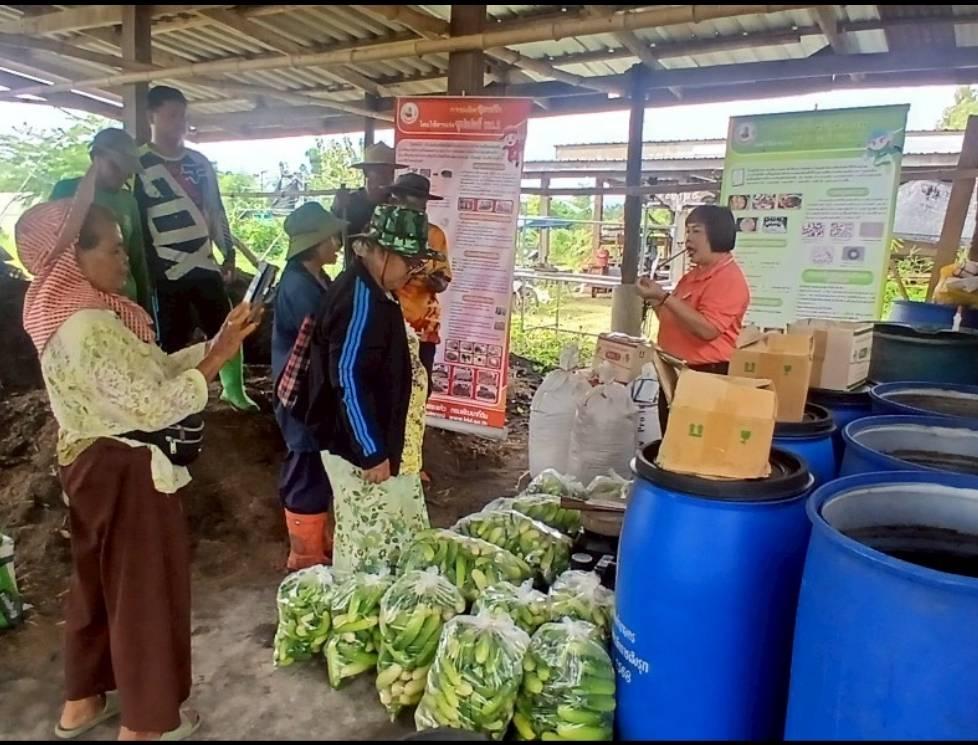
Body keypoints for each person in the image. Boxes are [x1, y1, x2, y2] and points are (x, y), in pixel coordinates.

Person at [17, 166, 260, 741]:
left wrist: (217, 343)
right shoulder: (88, 326)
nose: (126, 258)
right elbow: (154, 405)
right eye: (113, 247)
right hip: (126, 468)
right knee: (145, 592)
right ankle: (148, 725)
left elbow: (145, 372)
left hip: (90, 464)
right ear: (73, 257)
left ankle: (82, 702)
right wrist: (214, 358)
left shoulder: (74, 319)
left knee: (97, 585)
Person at [308, 204, 440, 573]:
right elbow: (348, 377)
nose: (412, 272)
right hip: (356, 450)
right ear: (380, 252)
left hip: (369, 444)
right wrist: (371, 451)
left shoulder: (375, 288)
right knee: (368, 541)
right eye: (408, 262)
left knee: (380, 537)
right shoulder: (360, 301)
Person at [134, 84, 258, 412]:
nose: (179, 123)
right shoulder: (139, 164)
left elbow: (216, 210)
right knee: (170, 336)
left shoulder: (199, 163)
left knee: (226, 323)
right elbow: (136, 220)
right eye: (171, 116)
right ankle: (168, 397)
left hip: (204, 262)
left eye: (183, 116)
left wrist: (227, 251)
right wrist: (143, 270)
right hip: (163, 266)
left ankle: (233, 389)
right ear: (152, 117)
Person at [271, 202, 345, 570]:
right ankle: (304, 555)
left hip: (312, 391)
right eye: (332, 238)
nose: (337, 244)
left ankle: (319, 542)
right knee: (305, 468)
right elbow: (323, 333)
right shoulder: (300, 286)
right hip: (300, 393)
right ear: (315, 243)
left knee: (316, 467)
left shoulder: (314, 278)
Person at [636, 205, 750, 431]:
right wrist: (655, 298)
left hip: (705, 376)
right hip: (676, 371)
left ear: (717, 234)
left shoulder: (728, 279)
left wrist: (665, 297)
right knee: (671, 440)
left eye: (695, 231)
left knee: (692, 446)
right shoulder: (691, 277)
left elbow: (708, 330)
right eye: (687, 232)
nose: (688, 239)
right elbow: (672, 319)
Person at [50, 128, 153, 316]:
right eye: (115, 166)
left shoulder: (128, 201)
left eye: (127, 169)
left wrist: (145, 307)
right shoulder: (67, 192)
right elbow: (53, 252)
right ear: (94, 157)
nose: (123, 175)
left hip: (125, 299)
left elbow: (138, 258)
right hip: (82, 303)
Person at [387, 172, 452, 394]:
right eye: (411, 207)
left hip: (424, 325)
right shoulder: (383, 234)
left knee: (420, 388)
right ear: (397, 201)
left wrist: (437, 283)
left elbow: (443, 280)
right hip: (388, 325)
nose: (419, 211)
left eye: (421, 207)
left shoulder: (434, 235)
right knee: (390, 388)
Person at [331, 142, 405, 259]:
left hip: (388, 272)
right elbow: (334, 242)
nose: (386, 178)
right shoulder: (349, 203)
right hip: (356, 271)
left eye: (390, 172)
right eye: (380, 172)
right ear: (366, 172)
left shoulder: (395, 207)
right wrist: (337, 209)